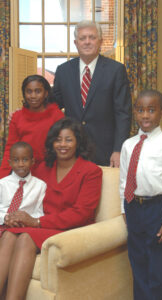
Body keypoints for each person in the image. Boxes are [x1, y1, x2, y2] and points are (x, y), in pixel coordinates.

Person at [0, 117, 102, 300]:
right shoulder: (40, 168)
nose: (62, 144)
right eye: (58, 139)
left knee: (25, 237)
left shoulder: (91, 171)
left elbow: (82, 213)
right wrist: (12, 216)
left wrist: (36, 222)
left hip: (69, 229)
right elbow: (18, 183)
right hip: (40, 225)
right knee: (8, 234)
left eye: (68, 139)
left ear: (78, 142)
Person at [53, 20, 132, 167]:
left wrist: (118, 149)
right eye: (82, 38)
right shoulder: (63, 71)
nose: (87, 42)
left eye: (92, 37)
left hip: (106, 152)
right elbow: (51, 106)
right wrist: (24, 112)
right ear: (76, 43)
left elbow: (123, 113)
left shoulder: (116, 70)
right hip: (71, 151)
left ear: (100, 41)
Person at [119, 90, 162, 300]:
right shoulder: (128, 145)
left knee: (158, 268)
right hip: (134, 208)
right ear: (135, 113)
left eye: (151, 110)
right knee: (138, 263)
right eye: (140, 110)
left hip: (158, 208)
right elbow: (123, 180)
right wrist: (124, 209)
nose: (145, 115)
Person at [0, 74, 64, 179]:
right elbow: (10, 149)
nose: (33, 96)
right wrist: (2, 178)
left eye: (38, 91)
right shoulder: (17, 117)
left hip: (50, 170)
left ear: (46, 93)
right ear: (24, 94)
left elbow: (62, 149)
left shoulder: (57, 116)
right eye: (29, 91)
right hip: (23, 171)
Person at [0, 141, 46, 230]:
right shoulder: (2, 184)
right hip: (2, 224)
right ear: (9, 162)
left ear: (32, 161)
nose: (20, 164)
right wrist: (6, 218)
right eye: (16, 160)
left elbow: (39, 212)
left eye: (25, 160)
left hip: (25, 227)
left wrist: (23, 220)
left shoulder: (40, 186)